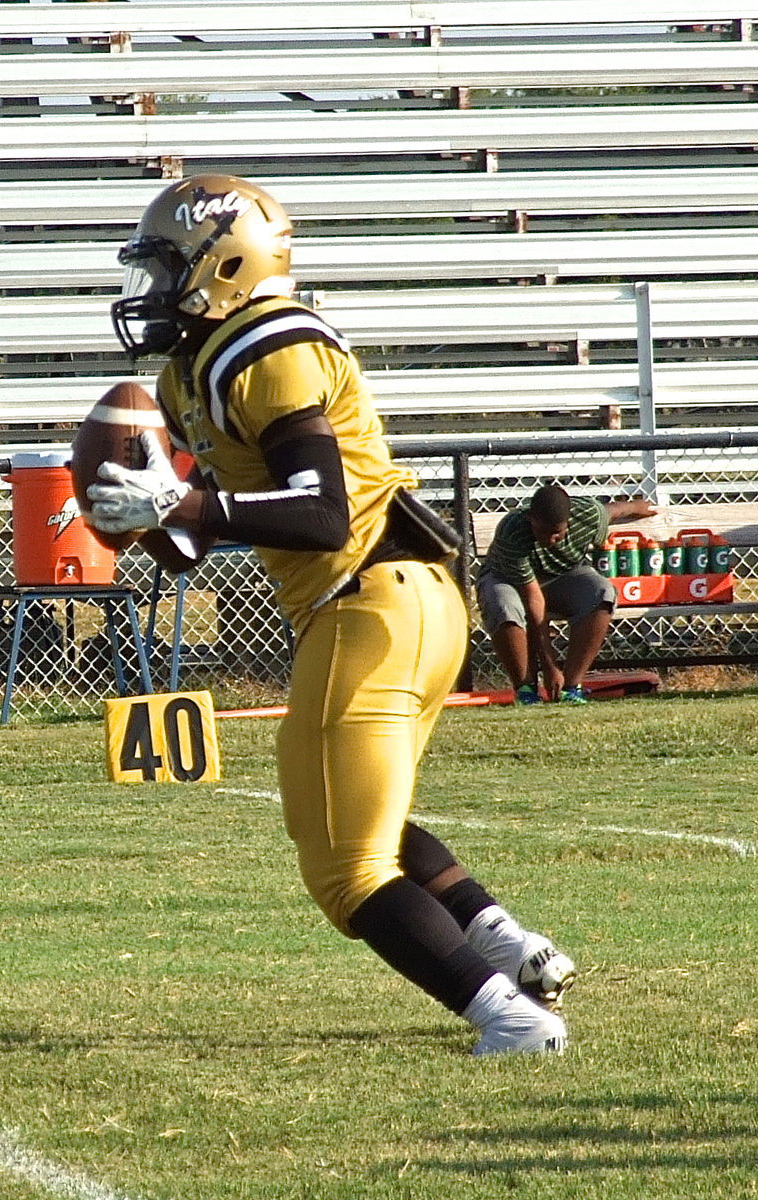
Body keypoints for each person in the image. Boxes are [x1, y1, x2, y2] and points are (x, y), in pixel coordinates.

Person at [85, 173, 573, 1055]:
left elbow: (321, 513)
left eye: (164, 269)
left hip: (368, 602)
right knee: (346, 819)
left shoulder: (264, 343)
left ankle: (509, 1017)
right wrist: (140, 520)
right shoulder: (194, 369)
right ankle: (506, 942)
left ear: (222, 263)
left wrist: (184, 507)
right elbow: (210, 537)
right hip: (398, 605)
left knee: (347, 871)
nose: (150, 292)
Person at [478, 484, 658, 704]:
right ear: (530, 520)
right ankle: (525, 689)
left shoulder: (587, 516)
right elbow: (533, 598)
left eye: (557, 532)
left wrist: (636, 506)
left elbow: (612, 511)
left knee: (602, 592)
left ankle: (571, 688)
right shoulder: (513, 530)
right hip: (507, 580)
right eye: (542, 531)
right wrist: (550, 666)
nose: (550, 539)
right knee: (504, 604)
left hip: (561, 575)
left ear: (568, 523)